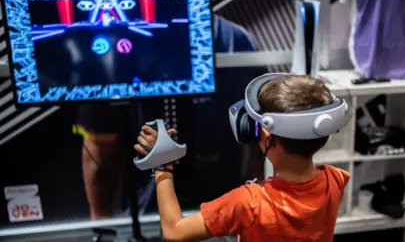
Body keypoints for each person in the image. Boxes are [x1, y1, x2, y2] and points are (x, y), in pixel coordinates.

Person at [75, 0, 259, 220]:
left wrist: (101, 223)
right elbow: (260, 141)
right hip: (217, 214)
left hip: (193, 216)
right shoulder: (235, 39)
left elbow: (101, 156)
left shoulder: (231, 40)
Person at [135, 74, 351, 241]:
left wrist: (162, 165)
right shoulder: (336, 180)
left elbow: (175, 232)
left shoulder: (248, 203)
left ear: (266, 135)